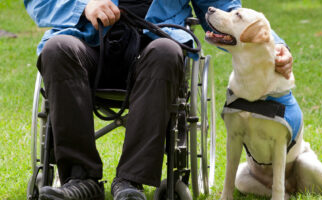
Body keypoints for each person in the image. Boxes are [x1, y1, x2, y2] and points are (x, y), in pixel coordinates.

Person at [24, 0, 293, 199]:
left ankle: (130, 182)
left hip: (155, 42)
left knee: (166, 51)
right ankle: (80, 180)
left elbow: (224, 7)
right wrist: (82, 8)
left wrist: (275, 46)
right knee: (57, 50)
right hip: (88, 41)